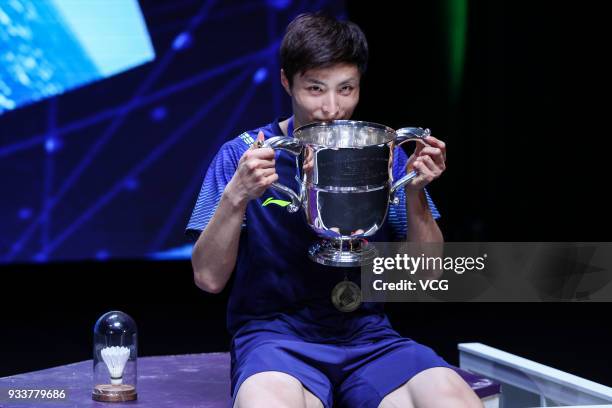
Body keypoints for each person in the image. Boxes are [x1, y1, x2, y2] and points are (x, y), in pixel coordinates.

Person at [186, 12, 481, 408]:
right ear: (286, 82)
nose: (331, 107)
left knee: (456, 402)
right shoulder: (243, 156)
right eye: (315, 88)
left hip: (370, 339)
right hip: (277, 340)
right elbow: (207, 278)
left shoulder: (386, 157)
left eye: (346, 89)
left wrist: (416, 192)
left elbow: (424, 277)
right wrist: (237, 195)